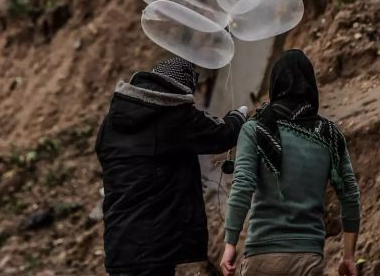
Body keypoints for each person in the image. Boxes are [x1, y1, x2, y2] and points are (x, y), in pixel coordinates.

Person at [96, 57, 248, 276]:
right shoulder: (174, 115)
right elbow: (220, 135)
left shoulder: (112, 121)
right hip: (153, 244)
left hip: (118, 242)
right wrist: (238, 116)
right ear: (181, 88)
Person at [221, 50, 361, 276]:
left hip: (262, 256)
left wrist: (230, 244)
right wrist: (348, 256)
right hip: (308, 258)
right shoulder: (329, 135)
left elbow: (243, 185)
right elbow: (350, 196)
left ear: (275, 85)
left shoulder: (256, 129)